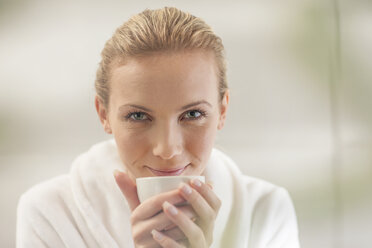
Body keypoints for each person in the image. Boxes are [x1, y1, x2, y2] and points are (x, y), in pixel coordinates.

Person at [16, 7, 300, 248]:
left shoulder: (267, 210)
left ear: (222, 111)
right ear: (103, 114)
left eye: (192, 113)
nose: (167, 149)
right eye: (139, 116)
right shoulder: (50, 213)